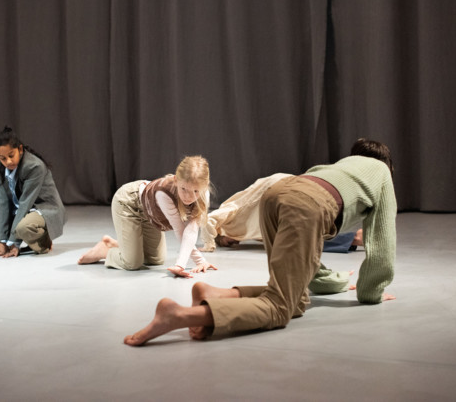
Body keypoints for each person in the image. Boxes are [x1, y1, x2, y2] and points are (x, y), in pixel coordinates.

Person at [123, 138, 397, 346]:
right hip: (305, 204)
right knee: (280, 308)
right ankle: (179, 315)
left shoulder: (339, 167)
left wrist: (333, 281)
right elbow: (381, 241)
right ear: (388, 167)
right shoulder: (382, 174)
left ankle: (213, 294)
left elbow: (305, 262)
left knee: (295, 298)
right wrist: (371, 293)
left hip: (278, 194)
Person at [78, 155, 217, 278]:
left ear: (204, 187)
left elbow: (192, 230)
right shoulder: (164, 194)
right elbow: (180, 230)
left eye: (196, 191)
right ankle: (106, 251)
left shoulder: (204, 195)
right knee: (132, 263)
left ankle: (119, 245)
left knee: (155, 260)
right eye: (183, 189)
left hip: (150, 214)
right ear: (175, 180)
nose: (189, 196)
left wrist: (201, 262)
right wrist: (180, 265)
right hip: (129, 203)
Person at [199, 173, 363, 253]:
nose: (233, 243)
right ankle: (354, 238)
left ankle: (355, 238)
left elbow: (209, 221)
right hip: (283, 186)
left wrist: (209, 245)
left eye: (227, 242)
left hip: (277, 190)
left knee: (300, 237)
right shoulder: (249, 231)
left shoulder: (229, 215)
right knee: (299, 235)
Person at [0, 126, 66, 257]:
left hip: (43, 210)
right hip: (19, 212)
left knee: (23, 228)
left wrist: (15, 243)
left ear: (20, 149)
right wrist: (2, 242)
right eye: (2, 158)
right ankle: (12, 240)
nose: (8, 162)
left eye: (11, 155)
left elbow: (25, 204)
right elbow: (3, 203)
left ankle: (43, 241)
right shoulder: (0, 167)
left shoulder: (34, 167)